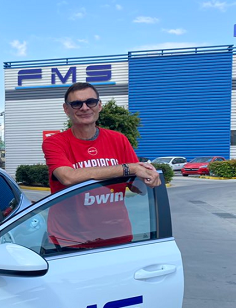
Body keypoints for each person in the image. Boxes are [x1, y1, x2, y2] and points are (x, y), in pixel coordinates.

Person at [42, 82, 160, 249]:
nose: (84, 108)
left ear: (99, 106)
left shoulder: (118, 140)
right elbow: (67, 177)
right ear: (66, 109)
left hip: (117, 237)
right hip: (69, 241)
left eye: (90, 102)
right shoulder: (55, 143)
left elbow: (136, 187)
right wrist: (129, 168)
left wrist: (149, 177)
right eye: (76, 104)